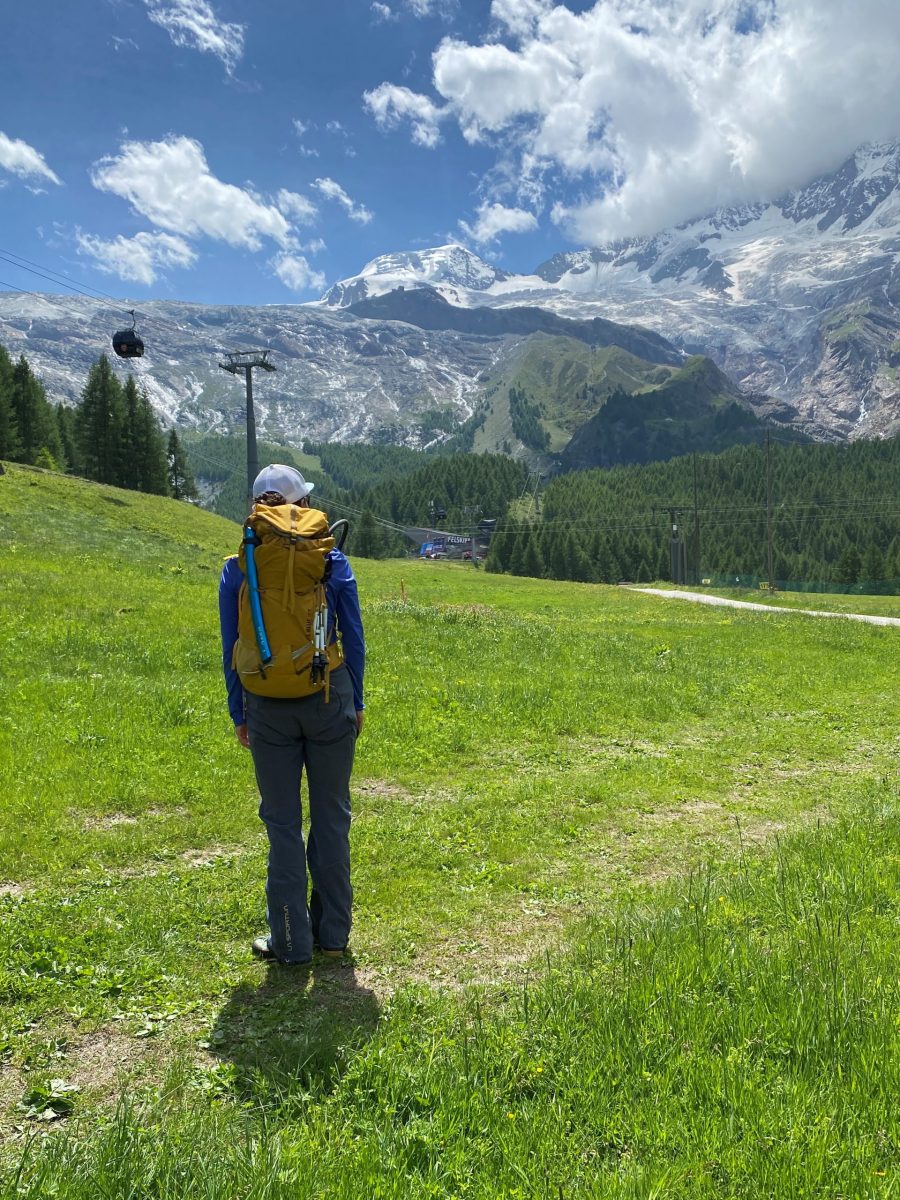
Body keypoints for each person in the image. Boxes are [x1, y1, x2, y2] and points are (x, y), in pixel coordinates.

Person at [218, 464, 365, 966]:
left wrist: (240, 711)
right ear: (301, 506)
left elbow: (231, 645)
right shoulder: (332, 558)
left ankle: (289, 943)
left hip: (267, 706)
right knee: (331, 818)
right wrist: (357, 700)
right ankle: (333, 937)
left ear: (258, 509)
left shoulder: (237, 566)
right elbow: (354, 634)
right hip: (328, 697)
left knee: (282, 824)